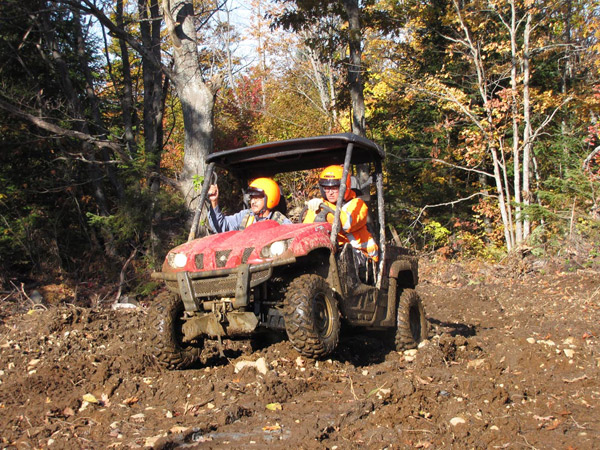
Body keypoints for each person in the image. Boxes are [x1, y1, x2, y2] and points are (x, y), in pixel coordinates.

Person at [303, 165, 379, 272]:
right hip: (334, 251)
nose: (330, 192)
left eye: (334, 188)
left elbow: (347, 223)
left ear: (345, 187)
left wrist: (323, 207)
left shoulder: (357, 204)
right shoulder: (320, 206)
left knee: (338, 263)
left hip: (361, 253)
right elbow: (306, 230)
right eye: (326, 188)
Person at [207, 177, 291, 233]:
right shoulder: (245, 216)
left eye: (257, 198)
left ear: (270, 199)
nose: (253, 201)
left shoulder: (282, 222)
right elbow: (222, 226)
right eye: (252, 197)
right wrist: (214, 201)